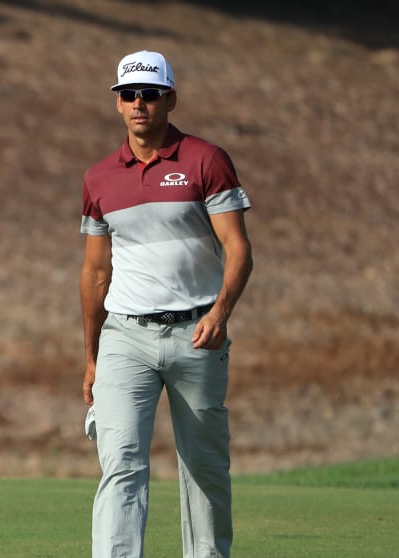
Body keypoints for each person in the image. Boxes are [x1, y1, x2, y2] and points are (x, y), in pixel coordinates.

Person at [79, 50, 253, 557]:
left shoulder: (206, 160)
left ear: (170, 98)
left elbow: (238, 249)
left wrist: (220, 313)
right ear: (117, 103)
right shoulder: (99, 178)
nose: (139, 104)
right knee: (122, 462)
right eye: (129, 95)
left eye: (150, 95)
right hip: (124, 336)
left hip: (197, 333)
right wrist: (91, 356)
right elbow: (95, 273)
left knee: (203, 467)